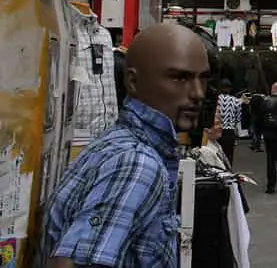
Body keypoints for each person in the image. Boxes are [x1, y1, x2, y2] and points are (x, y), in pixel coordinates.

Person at [45, 23, 210, 268]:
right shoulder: (137, 162)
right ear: (132, 81)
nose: (198, 93)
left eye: (202, 79)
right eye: (179, 78)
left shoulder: (120, 144)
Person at [215, 78, 243, 165]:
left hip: (217, 130)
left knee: (217, 155)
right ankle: (228, 173)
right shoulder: (235, 101)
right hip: (229, 131)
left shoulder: (216, 100)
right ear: (230, 88)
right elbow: (238, 118)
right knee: (228, 156)